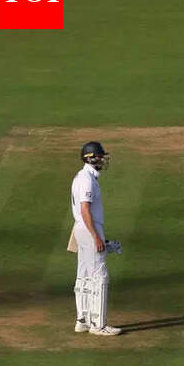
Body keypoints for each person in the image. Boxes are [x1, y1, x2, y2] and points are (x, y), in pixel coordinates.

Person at [70, 142, 122, 336]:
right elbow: (85, 209)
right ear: (91, 158)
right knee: (99, 276)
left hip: (81, 229)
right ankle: (98, 325)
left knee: (84, 275)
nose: (102, 160)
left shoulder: (81, 176)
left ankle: (82, 320)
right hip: (88, 228)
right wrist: (96, 237)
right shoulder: (87, 180)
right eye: (100, 157)